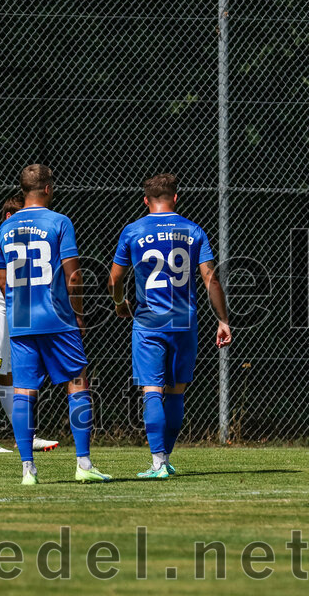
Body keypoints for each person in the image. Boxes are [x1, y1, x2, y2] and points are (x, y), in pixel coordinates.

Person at [108, 173, 232, 478]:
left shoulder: (133, 230)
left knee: (152, 389)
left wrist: (119, 303)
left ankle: (158, 463)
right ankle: (165, 458)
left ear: (146, 200)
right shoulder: (193, 230)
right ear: (175, 198)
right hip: (184, 319)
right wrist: (223, 319)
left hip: (149, 320)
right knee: (176, 392)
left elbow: (114, 278)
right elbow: (210, 278)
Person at [0, 164, 110, 485]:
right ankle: (84, 464)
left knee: (24, 391)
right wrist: (80, 315)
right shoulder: (59, 221)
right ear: (47, 189)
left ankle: (28, 469)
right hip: (57, 315)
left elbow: (3, 281)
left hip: (20, 318)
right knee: (77, 381)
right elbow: (73, 276)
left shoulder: (4, 229)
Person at [0, 195, 59, 454]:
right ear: (9, 217)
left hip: (12, 311)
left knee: (9, 375)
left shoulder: (24, 238)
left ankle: (24, 438)